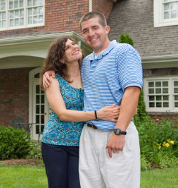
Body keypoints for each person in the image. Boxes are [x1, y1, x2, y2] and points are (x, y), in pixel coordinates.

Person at [43, 12, 143, 188]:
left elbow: (133, 91)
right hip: (87, 137)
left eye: (95, 28)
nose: (91, 34)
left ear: (106, 28)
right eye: (85, 30)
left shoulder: (124, 51)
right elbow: (66, 74)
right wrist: (49, 71)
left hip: (114, 133)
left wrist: (120, 131)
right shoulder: (87, 63)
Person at [40, 35, 120, 188]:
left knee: (78, 185)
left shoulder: (90, 75)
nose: (75, 47)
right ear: (61, 58)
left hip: (82, 143)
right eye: (68, 47)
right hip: (55, 143)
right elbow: (62, 114)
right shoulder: (53, 80)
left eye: (74, 44)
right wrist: (98, 114)